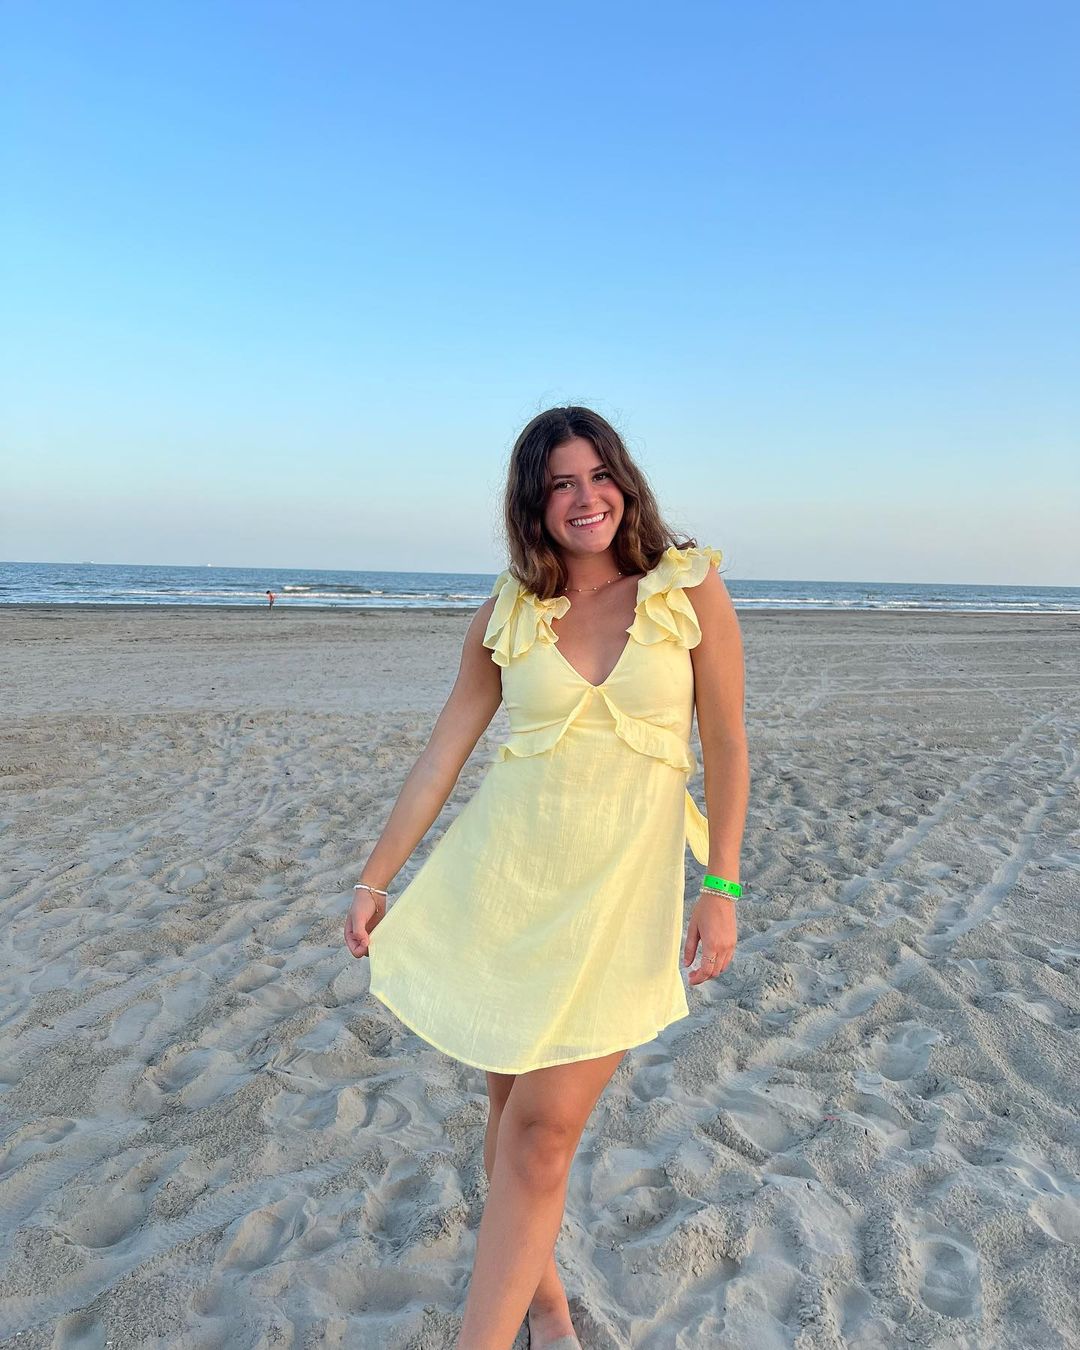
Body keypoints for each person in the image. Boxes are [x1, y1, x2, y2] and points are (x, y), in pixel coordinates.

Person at [344, 405, 749, 1349]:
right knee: (513, 1122)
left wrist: (721, 888)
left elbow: (728, 745)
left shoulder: (688, 588)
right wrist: (374, 879)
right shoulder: (510, 613)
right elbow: (443, 754)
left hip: (621, 904)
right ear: (533, 503)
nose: (585, 497)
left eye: (600, 475)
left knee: (541, 1131)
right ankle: (547, 1305)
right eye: (561, 483)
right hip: (506, 887)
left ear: (626, 484)